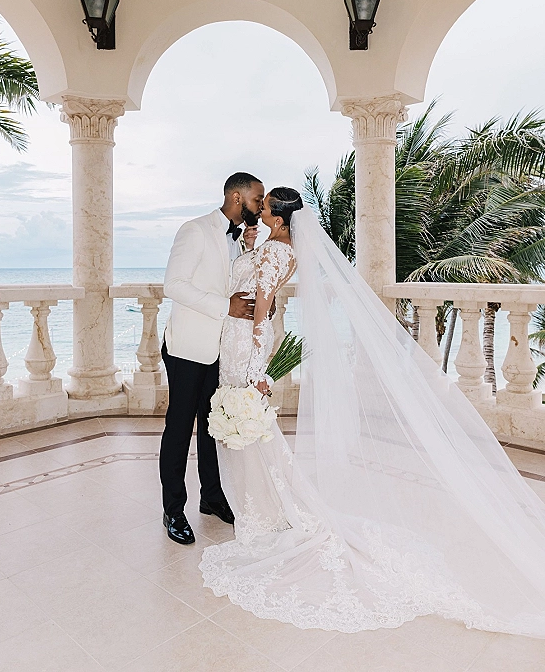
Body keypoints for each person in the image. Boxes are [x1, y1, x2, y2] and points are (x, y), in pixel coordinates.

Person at [200, 188, 545, 638]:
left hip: (244, 345)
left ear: (280, 220)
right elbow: (252, 283)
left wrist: (255, 371)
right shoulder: (272, 246)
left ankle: (270, 514)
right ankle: (265, 510)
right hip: (234, 338)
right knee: (251, 436)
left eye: (264, 208)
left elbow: (262, 312)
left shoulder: (276, 254)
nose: (258, 209)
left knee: (251, 432)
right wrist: (248, 246)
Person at [160, 172, 264, 544]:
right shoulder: (196, 229)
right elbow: (173, 284)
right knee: (179, 429)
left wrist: (248, 251)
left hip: (220, 350)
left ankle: (212, 497)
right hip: (188, 348)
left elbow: (232, 278)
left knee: (211, 426)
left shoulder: (239, 238)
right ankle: (173, 511)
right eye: (256, 199)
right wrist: (226, 307)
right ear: (237, 197)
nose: (260, 206)